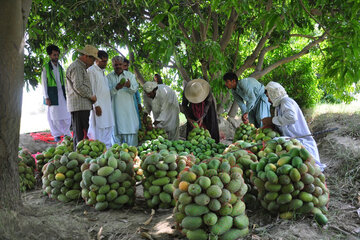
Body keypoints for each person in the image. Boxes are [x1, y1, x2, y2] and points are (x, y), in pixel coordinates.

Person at [265, 81, 326, 171]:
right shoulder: (280, 104)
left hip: (300, 139)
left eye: (268, 96)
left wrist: (273, 120)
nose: (268, 100)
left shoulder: (286, 101)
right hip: (293, 139)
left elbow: (291, 117)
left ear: (273, 94)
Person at [65, 45, 98, 150]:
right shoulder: (77, 67)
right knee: (80, 134)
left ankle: (80, 156)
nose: (93, 62)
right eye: (92, 59)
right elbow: (78, 86)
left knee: (82, 133)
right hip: (79, 106)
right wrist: (91, 96)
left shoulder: (81, 67)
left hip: (82, 106)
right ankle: (79, 156)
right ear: (85, 56)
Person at [41, 44, 71, 142]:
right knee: (54, 116)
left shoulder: (60, 67)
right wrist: (46, 97)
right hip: (52, 94)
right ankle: (56, 134)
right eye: (54, 55)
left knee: (67, 115)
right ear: (50, 55)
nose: (56, 57)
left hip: (61, 94)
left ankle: (66, 133)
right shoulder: (46, 68)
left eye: (57, 55)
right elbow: (44, 83)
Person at [107, 56, 139, 146]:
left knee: (132, 149)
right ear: (112, 65)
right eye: (116, 64)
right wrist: (116, 88)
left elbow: (135, 90)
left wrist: (129, 86)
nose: (118, 66)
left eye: (120, 64)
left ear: (123, 65)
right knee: (116, 149)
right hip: (115, 115)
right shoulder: (108, 77)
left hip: (129, 116)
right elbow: (106, 94)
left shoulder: (130, 76)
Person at [87, 50, 113, 148]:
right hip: (98, 106)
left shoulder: (102, 72)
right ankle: (99, 152)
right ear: (96, 60)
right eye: (103, 61)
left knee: (108, 128)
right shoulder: (91, 71)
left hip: (107, 106)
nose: (105, 63)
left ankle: (107, 150)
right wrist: (96, 105)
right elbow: (91, 91)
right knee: (99, 130)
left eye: (106, 61)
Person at [124, 58, 142, 129]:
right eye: (124, 65)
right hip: (123, 103)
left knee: (135, 119)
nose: (126, 68)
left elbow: (136, 91)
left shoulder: (131, 76)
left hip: (133, 102)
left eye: (127, 66)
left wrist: (139, 103)